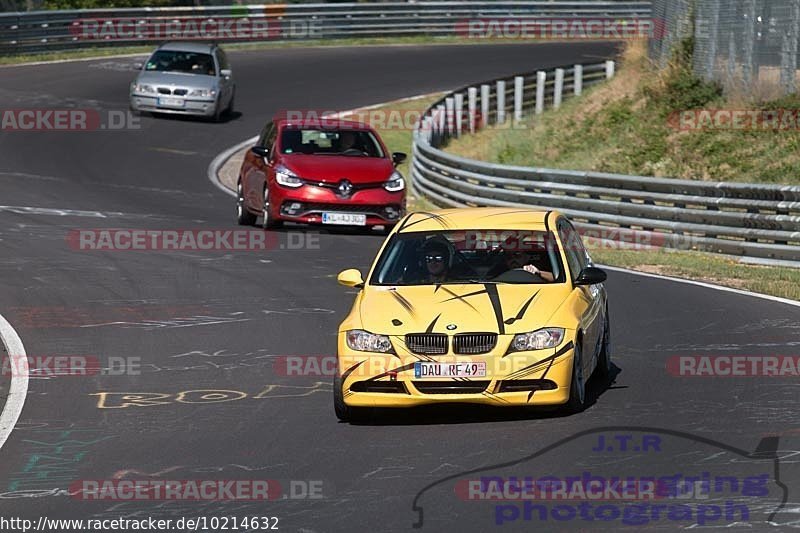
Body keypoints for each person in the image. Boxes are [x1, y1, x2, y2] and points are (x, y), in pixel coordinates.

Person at [488, 247, 555, 282]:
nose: (513, 260)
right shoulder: (498, 271)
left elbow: (558, 278)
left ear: (526, 257)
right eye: (508, 257)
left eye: (517, 255)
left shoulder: (534, 270)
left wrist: (539, 273)